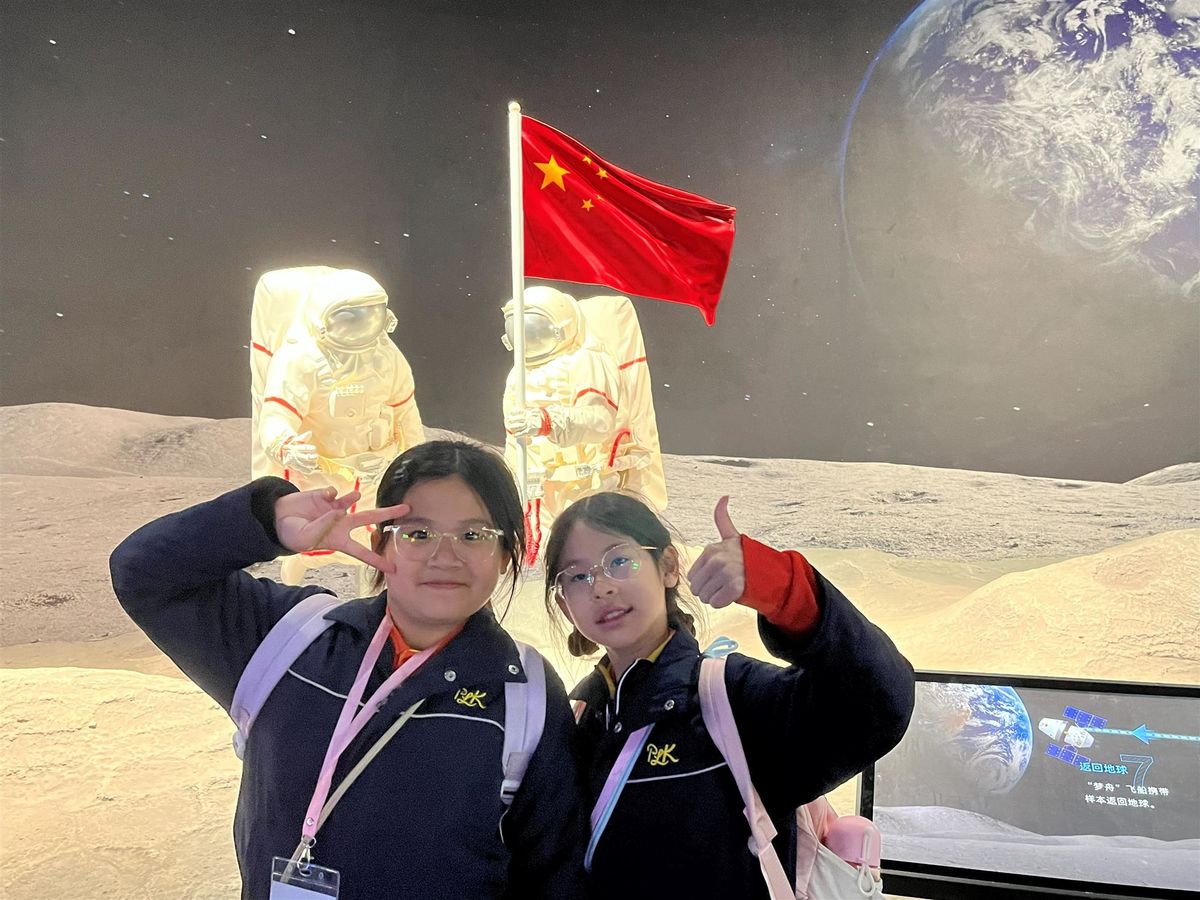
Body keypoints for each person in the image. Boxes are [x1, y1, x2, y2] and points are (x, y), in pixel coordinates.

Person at [110, 440, 587, 900]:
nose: (445, 556)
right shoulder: (290, 639)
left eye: (473, 535)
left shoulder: (524, 694)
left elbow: (553, 877)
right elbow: (142, 573)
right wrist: (269, 521)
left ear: (505, 555)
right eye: (418, 533)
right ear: (380, 542)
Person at [541, 491, 915, 899]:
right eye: (577, 576)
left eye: (619, 561)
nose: (601, 587)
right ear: (564, 603)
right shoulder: (574, 715)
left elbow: (877, 701)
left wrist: (781, 588)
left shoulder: (729, 700)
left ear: (668, 567)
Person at [251, 267, 425, 584]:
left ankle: (374, 594)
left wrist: (420, 459)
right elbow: (276, 415)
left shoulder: (387, 357)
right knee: (309, 541)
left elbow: (406, 413)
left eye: (372, 315)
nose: (365, 326)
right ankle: (292, 584)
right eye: (352, 318)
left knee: (372, 537)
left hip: (372, 471)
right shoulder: (300, 360)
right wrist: (285, 446)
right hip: (319, 474)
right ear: (322, 319)